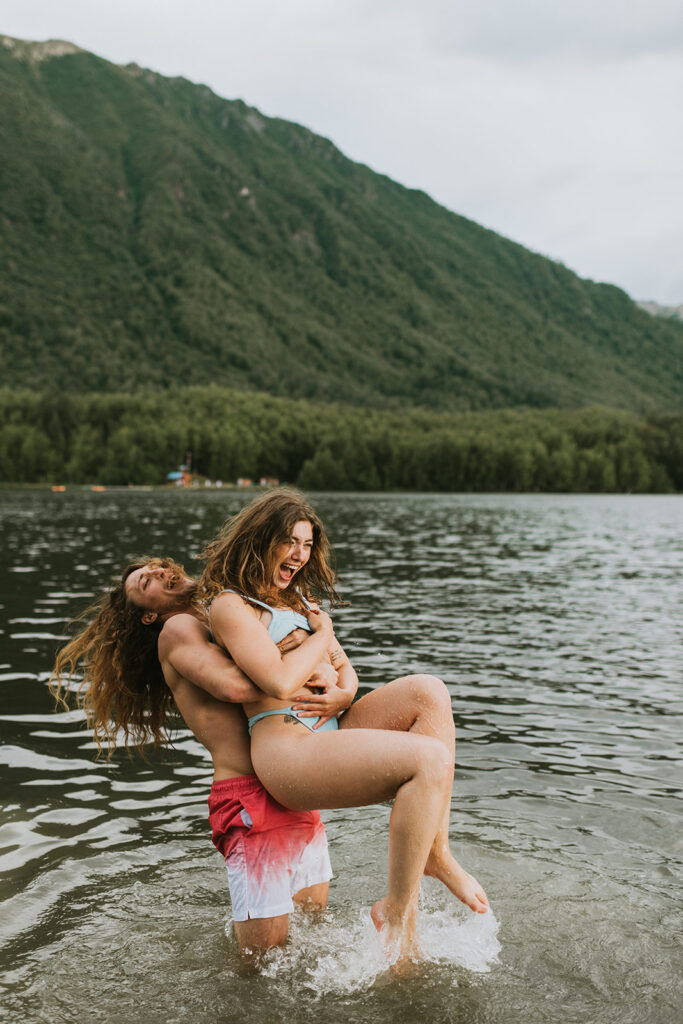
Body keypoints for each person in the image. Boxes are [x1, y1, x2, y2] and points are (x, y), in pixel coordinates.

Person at [51, 551, 487, 963]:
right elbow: (240, 688)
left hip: (296, 768)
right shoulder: (177, 630)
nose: (160, 573)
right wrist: (311, 647)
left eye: (158, 566)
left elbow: (325, 668)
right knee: (260, 969)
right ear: (148, 613)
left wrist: (340, 690)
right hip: (251, 801)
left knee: (308, 942)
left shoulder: (230, 611)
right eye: (146, 581)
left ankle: (435, 854)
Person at [200, 489, 487, 965]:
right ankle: (396, 911)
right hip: (286, 747)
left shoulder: (299, 601)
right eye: (289, 541)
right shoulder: (233, 606)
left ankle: (436, 851)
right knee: (429, 761)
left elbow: (347, 672)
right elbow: (275, 678)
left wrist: (345, 693)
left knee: (430, 692)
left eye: (307, 544)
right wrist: (325, 633)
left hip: (330, 724)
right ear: (260, 539)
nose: (299, 553)